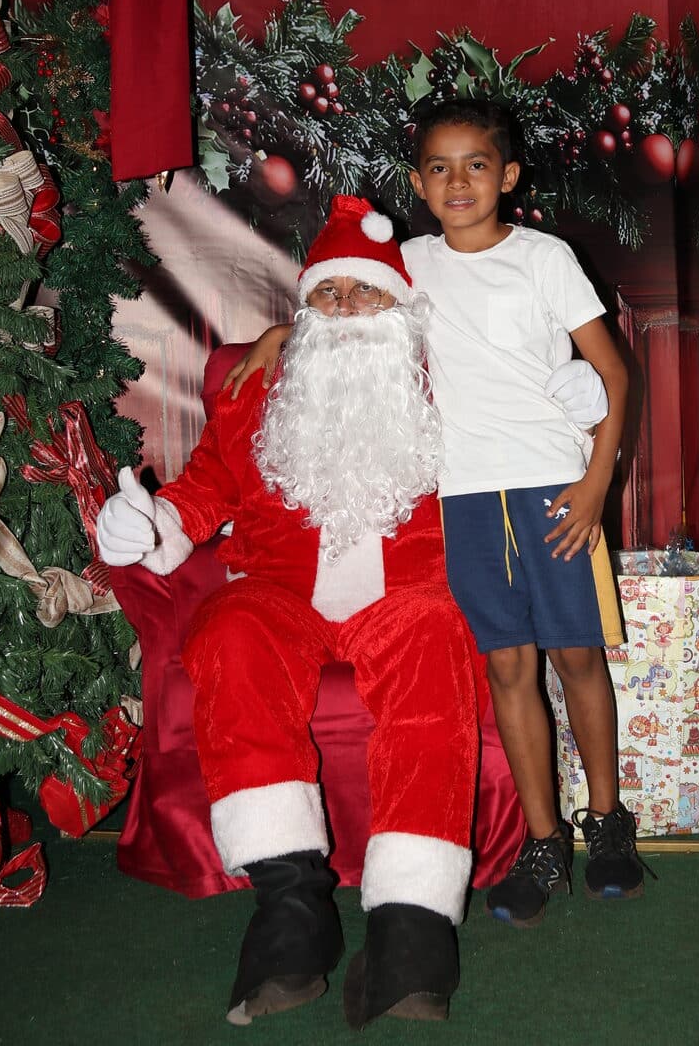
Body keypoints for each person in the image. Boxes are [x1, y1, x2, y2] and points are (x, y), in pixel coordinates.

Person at [229, 101, 644, 931]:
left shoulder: (545, 259)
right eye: (440, 168)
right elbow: (349, 301)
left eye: (477, 165)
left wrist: (599, 481)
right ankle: (543, 842)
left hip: (556, 486)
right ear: (418, 185)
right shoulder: (412, 262)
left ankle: (607, 823)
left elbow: (614, 372)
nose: (459, 182)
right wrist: (283, 333)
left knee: (576, 655)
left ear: (508, 175)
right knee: (508, 668)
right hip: (466, 496)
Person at [97, 197, 482, 1030]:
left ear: (401, 305)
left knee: (433, 639)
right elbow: (209, 485)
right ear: (303, 308)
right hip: (280, 588)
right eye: (327, 294)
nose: (345, 310)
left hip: (407, 593)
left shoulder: (452, 378)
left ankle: (412, 927)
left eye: (366, 291)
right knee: (230, 632)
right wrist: (154, 522)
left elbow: (518, 424)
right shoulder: (258, 387)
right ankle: (291, 908)